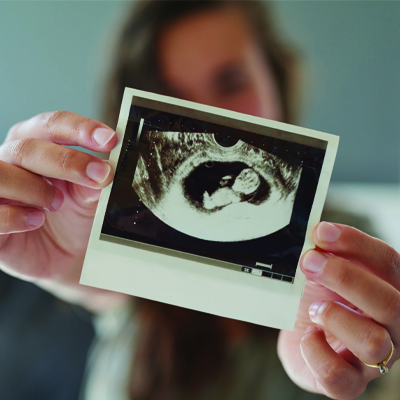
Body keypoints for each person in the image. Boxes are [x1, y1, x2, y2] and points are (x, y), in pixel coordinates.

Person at [0, 1, 399, 399]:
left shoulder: (345, 249)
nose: (209, 120)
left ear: (277, 80)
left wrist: (371, 362)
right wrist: (54, 250)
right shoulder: (125, 245)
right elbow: (93, 279)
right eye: (170, 98)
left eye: (231, 83)